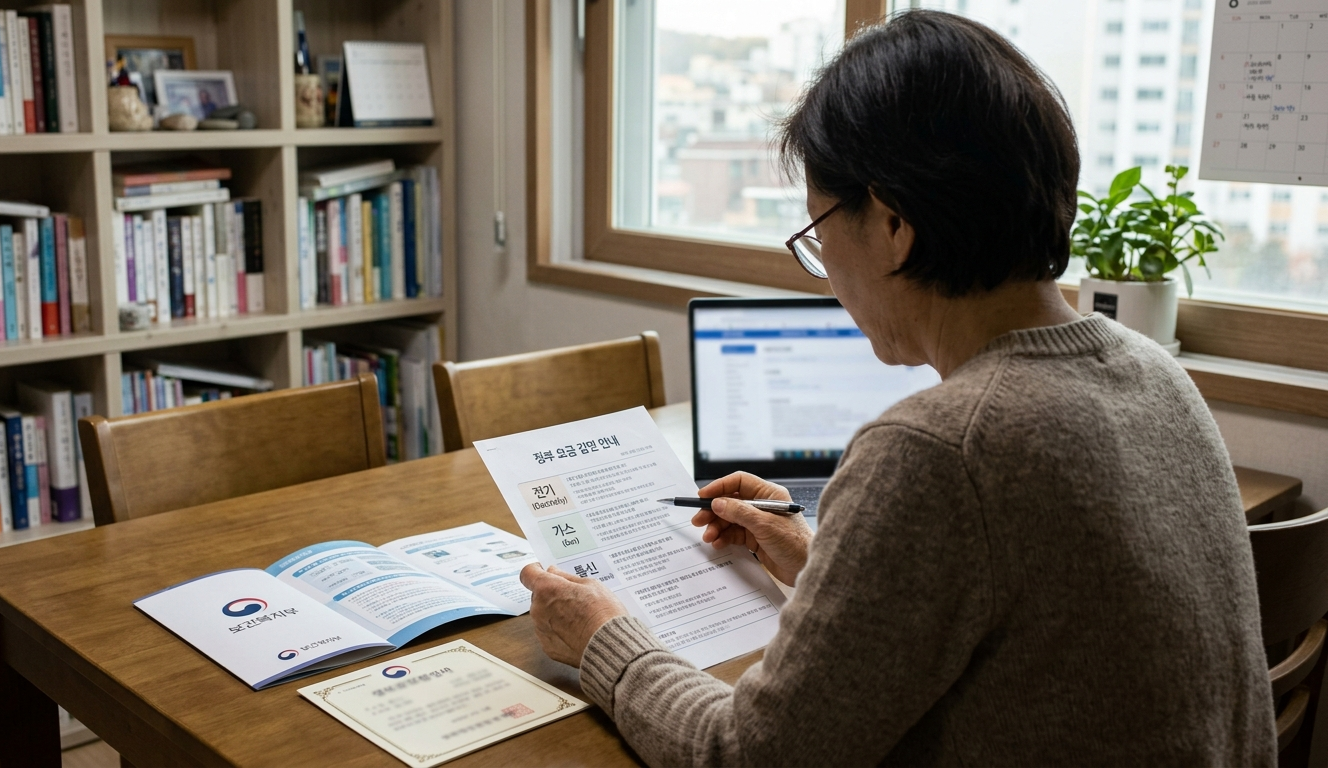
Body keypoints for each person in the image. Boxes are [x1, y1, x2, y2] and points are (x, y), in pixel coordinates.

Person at [519, 9, 1275, 766]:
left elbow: (748, 755)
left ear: (892, 223)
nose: (825, 269)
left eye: (818, 231)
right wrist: (825, 562)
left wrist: (601, 640)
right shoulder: (1156, 374)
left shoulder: (939, 450)